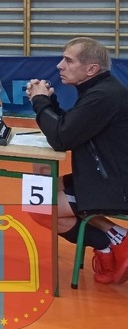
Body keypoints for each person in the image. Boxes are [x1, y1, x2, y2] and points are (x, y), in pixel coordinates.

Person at [26, 38, 128, 286]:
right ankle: (110, 239)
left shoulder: (102, 96)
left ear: (91, 69)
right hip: (105, 174)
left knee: (37, 205)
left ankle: (115, 239)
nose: (60, 65)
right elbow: (71, 127)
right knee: (35, 194)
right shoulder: (101, 90)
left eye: (68, 60)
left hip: (115, 184)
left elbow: (61, 139)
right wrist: (49, 103)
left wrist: (40, 102)